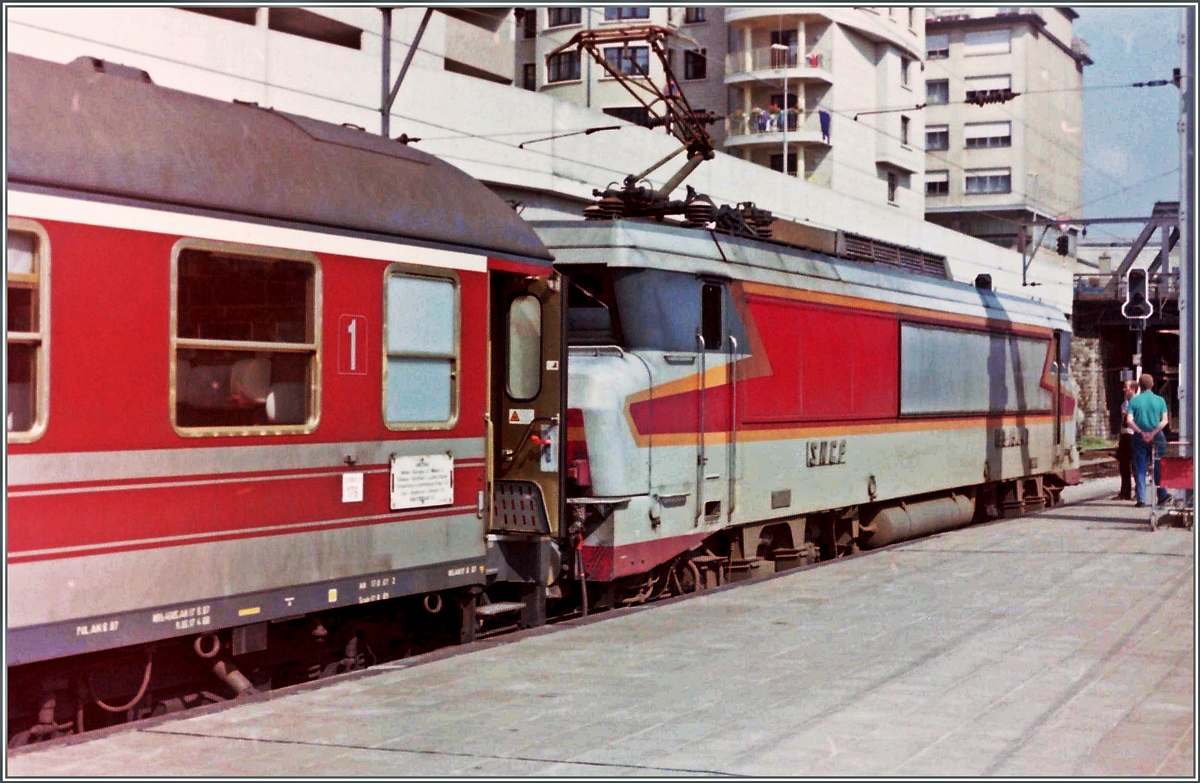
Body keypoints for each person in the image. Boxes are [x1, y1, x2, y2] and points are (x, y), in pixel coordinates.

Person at [1126, 373, 1170, 508]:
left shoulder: (1134, 401)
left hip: (1139, 437)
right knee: (1159, 466)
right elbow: (1164, 421)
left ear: (1139, 386)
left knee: (1140, 467)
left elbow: (1129, 421)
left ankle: (1141, 499)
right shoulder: (1160, 400)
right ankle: (1162, 496)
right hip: (1157, 436)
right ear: (1152, 385)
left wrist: (1141, 432)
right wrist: (1153, 433)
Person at [1115, 380, 1137, 501]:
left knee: (1135, 465)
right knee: (1123, 465)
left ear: (1133, 389)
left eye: (1126, 387)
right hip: (1124, 435)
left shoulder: (1137, 403)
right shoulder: (1124, 403)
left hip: (1133, 435)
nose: (1124, 389)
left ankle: (1138, 493)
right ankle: (1125, 492)